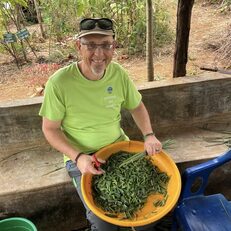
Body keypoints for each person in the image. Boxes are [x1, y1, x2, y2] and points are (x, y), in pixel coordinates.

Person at [39, 17, 162, 231]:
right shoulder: (59, 83)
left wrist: (149, 135)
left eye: (106, 45)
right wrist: (77, 157)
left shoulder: (119, 74)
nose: (99, 54)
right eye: (91, 45)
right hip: (82, 156)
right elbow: (50, 129)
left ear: (113, 46)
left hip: (118, 149)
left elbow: (137, 106)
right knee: (103, 224)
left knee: (148, 214)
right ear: (79, 47)